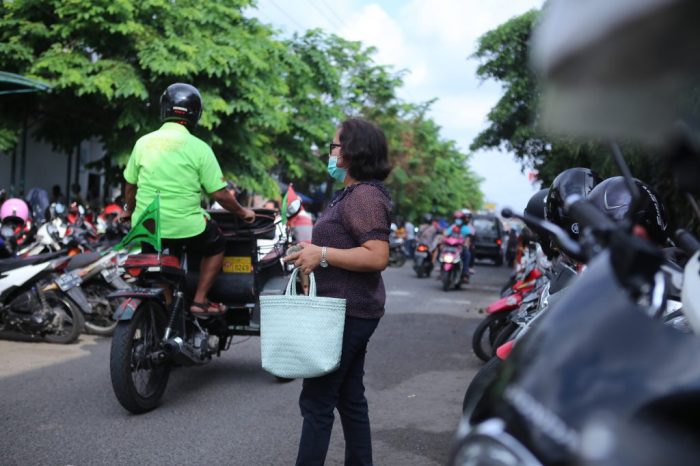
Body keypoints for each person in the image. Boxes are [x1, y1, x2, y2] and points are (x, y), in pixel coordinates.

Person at [283, 117, 392, 466]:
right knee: (349, 398)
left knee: (317, 402)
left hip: (346, 313)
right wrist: (311, 257)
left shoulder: (363, 197)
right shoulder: (350, 194)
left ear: (351, 152)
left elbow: (377, 255)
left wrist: (323, 254)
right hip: (346, 310)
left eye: (334, 146)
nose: (330, 153)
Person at [122, 82, 255, 316]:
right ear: (196, 114)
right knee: (216, 244)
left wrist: (127, 210)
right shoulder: (200, 148)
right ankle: (200, 300)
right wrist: (243, 212)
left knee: (155, 256)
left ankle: (165, 301)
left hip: (147, 226)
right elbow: (219, 194)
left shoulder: (143, 142)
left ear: (164, 109)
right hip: (187, 228)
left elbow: (130, 186)